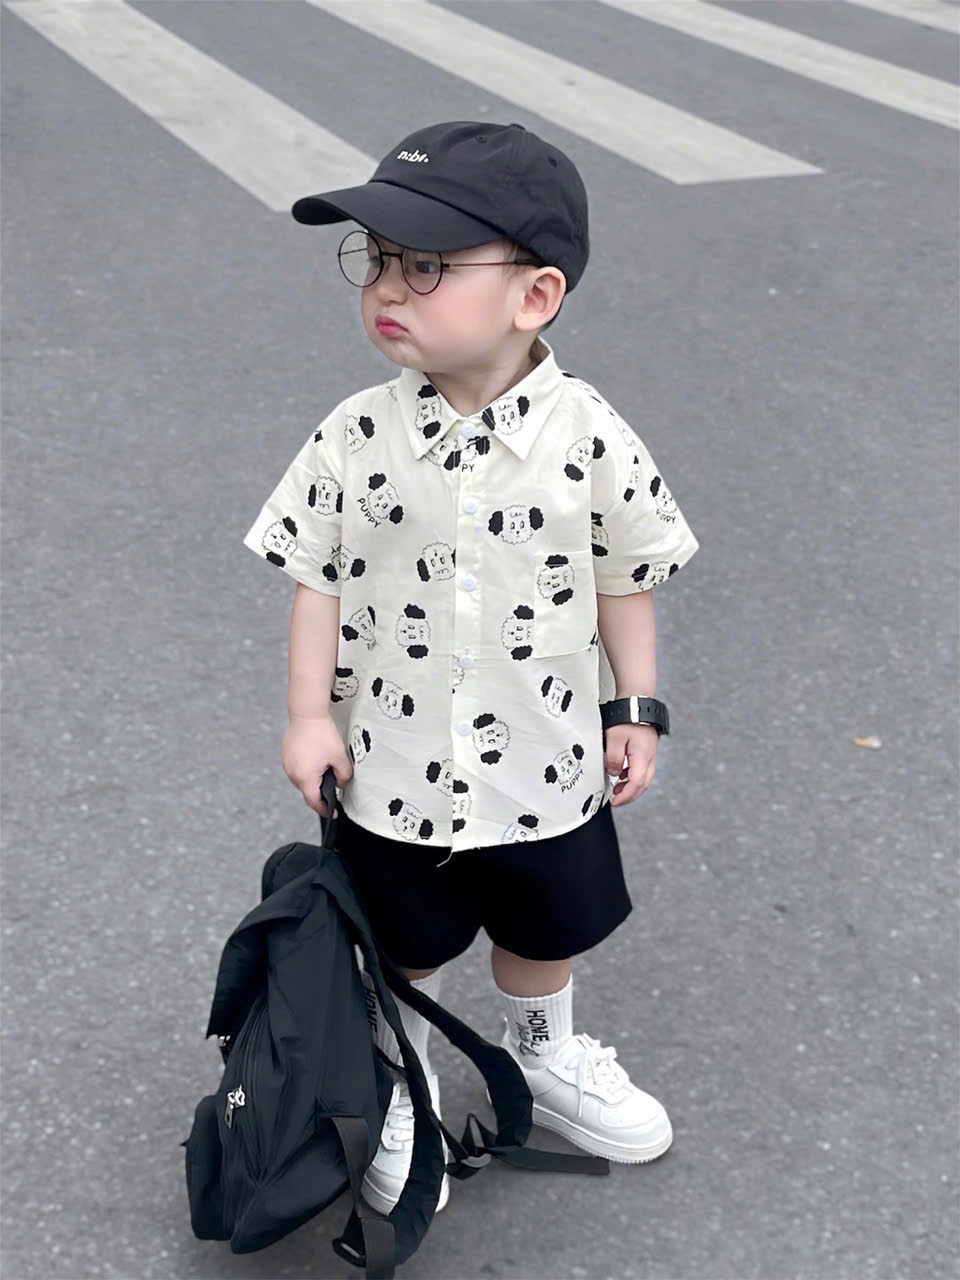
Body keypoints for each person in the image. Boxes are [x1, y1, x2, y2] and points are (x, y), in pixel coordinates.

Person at [243, 120, 699, 1215]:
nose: (387, 288)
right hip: (393, 765)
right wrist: (308, 715)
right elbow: (319, 578)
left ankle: (544, 1054)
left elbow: (623, 577)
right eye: (378, 260)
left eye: (427, 266)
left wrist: (634, 704)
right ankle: (397, 1075)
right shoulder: (355, 435)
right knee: (404, 943)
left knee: (546, 929)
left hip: (546, 761)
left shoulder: (590, 436)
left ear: (534, 296)